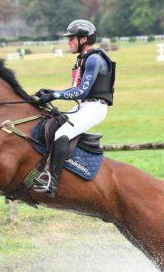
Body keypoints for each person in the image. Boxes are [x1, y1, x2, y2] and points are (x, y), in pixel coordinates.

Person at [33, 19, 115, 197]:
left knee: (62, 134)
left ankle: (52, 182)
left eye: (72, 38)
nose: (69, 41)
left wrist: (54, 95)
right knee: (50, 123)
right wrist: (52, 91)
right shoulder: (84, 58)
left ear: (83, 39)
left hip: (94, 109)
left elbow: (82, 91)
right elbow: (77, 89)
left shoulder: (94, 59)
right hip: (85, 107)